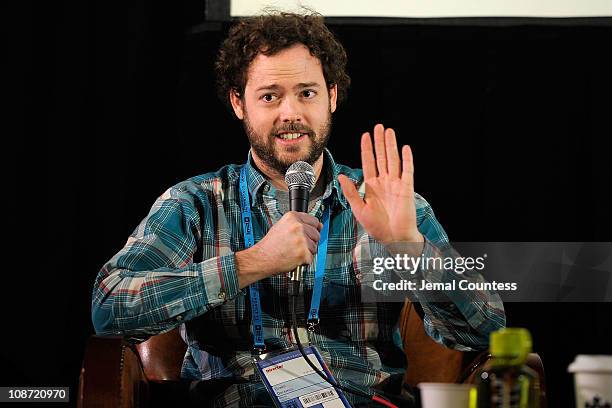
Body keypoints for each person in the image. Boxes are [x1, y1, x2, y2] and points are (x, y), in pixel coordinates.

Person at [92, 10, 505, 407]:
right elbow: (109, 308)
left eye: (306, 93)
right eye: (270, 96)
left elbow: (485, 329)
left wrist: (408, 247)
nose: (290, 114)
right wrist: (251, 263)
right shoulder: (195, 202)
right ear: (239, 103)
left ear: (333, 96)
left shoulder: (386, 202)